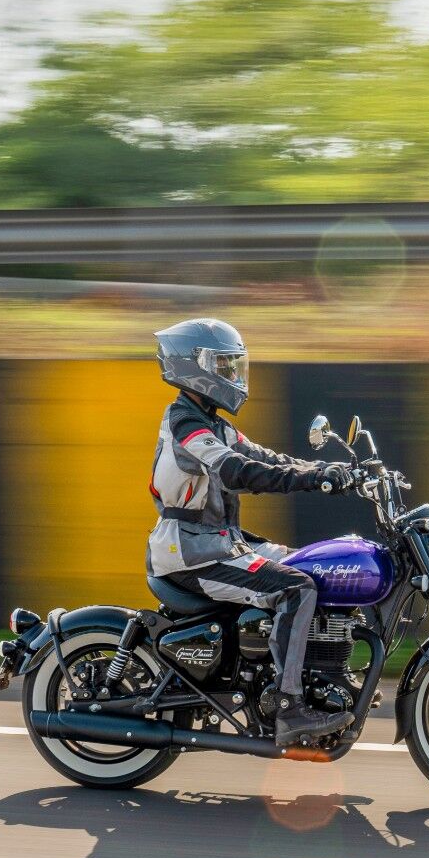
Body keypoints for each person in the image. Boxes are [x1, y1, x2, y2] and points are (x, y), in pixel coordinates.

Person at [147, 318, 354, 746]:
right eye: (222, 366)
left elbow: (268, 458)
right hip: (191, 551)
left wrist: (331, 471)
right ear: (193, 367)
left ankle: (321, 676)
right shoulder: (187, 424)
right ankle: (288, 706)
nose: (232, 375)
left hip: (220, 543)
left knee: (315, 568)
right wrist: (316, 481)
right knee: (296, 589)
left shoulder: (214, 423)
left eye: (233, 365)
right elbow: (238, 471)